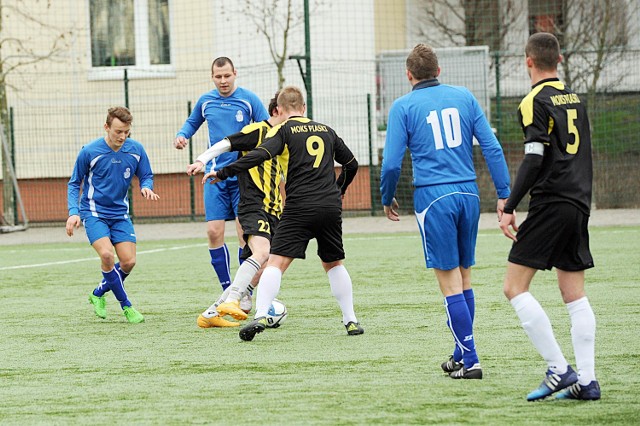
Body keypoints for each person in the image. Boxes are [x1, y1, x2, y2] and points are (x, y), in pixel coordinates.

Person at [380, 44, 511, 380]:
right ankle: (459, 353)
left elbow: (392, 162)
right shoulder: (464, 96)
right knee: (465, 278)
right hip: (469, 193)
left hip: (433, 198)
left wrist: (387, 196)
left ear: (408, 75)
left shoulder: (403, 106)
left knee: (450, 284)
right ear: (439, 71)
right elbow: (492, 147)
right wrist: (504, 194)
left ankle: (472, 359)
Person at [205, 86, 363, 341]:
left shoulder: (283, 130)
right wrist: (339, 190)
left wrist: (224, 172)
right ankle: (351, 320)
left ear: (280, 110)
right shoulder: (326, 130)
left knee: (275, 262)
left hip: (299, 206)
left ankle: (260, 315)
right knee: (334, 263)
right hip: (329, 206)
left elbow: (259, 155)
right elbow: (351, 164)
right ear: (303, 108)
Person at [499, 32, 599, 401]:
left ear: (529, 61)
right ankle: (586, 381)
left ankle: (559, 369)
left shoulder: (534, 100)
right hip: (578, 202)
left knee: (514, 287)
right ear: (559, 59)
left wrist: (510, 206)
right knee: (574, 294)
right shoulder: (577, 99)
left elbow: (535, 157)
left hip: (552, 200)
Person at [174, 57, 269, 322]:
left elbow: (266, 130)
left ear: (235, 74)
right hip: (214, 176)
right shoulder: (206, 101)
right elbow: (192, 123)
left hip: (243, 177)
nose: (223, 81)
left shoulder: (249, 99)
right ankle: (228, 290)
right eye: (218, 77)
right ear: (212, 77)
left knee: (243, 233)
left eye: (227, 76)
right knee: (213, 231)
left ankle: (242, 294)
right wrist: (183, 135)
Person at [186, 91, 287, 328]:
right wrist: (202, 160)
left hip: (275, 209)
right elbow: (226, 143)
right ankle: (232, 299)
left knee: (269, 264)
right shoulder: (257, 131)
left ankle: (211, 314)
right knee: (261, 253)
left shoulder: (285, 138)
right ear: (277, 112)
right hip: (254, 204)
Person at [66, 106, 159, 323]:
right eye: (118, 131)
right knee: (107, 256)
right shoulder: (89, 151)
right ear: (106, 127)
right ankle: (127, 306)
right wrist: (73, 213)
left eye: (126, 132)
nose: (122, 136)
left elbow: (146, 174)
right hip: (94, 212)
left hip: (120, 214)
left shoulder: (136, 149)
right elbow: (74, 183)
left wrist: (147, 186)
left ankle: (97, 293)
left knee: (128, 262)